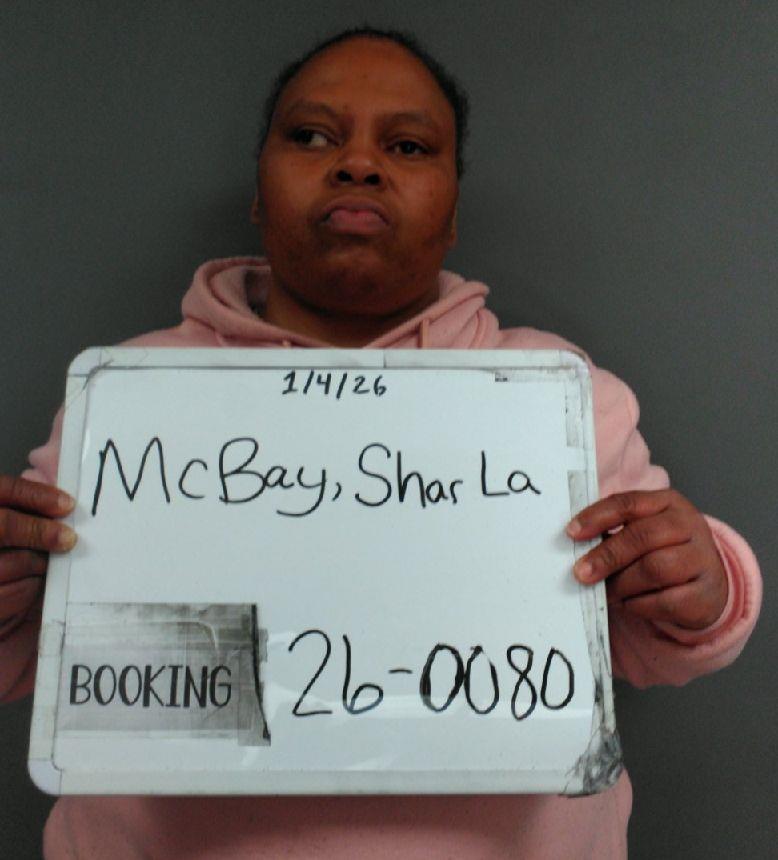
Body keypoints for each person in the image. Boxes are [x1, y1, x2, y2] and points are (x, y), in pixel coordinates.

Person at [0, 26, 762, 860]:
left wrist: (704, 584)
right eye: (311, 136)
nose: (357, 164)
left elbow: (649, 639)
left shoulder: (556, 397)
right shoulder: (130, 397)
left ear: (454, 210)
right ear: (257, 193)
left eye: (407, 146)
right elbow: (49, 664)